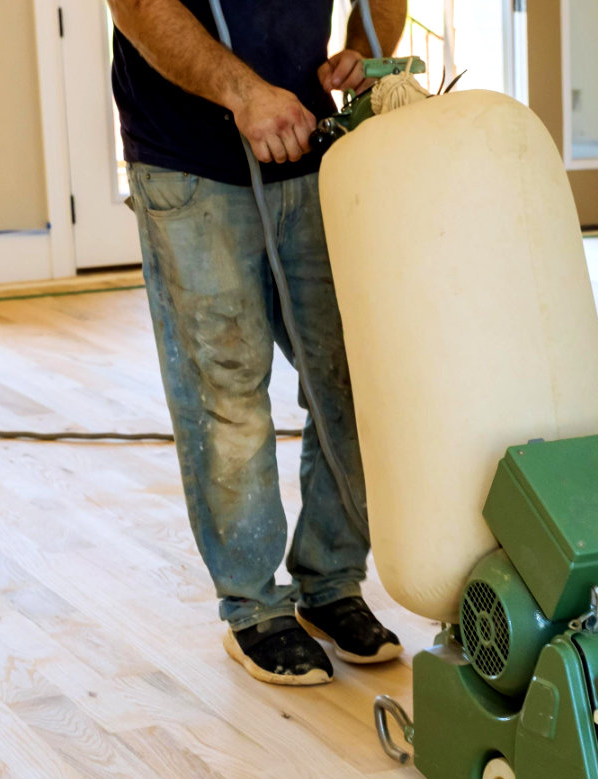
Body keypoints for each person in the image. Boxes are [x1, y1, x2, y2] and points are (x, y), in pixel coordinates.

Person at [109, 0, 407, 686]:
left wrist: (366, 47)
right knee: (228, 392)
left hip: (311, 146)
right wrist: (244, 93)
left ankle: (332, 581)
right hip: (190, 159)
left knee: (349, 375)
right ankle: (252, 606)